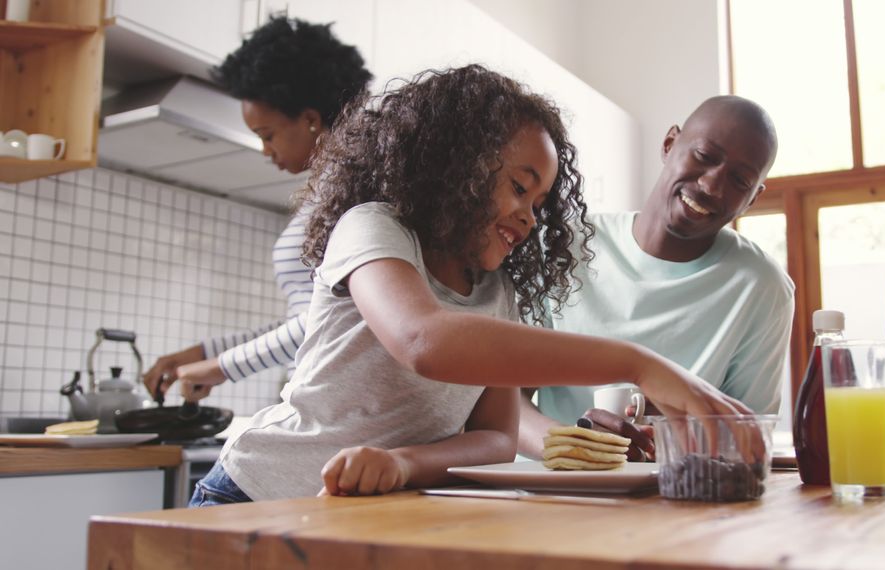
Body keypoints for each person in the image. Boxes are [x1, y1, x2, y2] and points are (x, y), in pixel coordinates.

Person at [184, 65, 760, 505]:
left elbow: (495, 439)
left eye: (540, 202)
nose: (531, 217)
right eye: (518, 187)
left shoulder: (496, 291)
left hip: (358, 510)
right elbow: (423, 342)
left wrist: (405, 463)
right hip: (254, 494)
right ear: (454, 165)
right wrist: (638, 362)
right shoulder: (374, 228)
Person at [518, 95, 795, 461]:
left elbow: (749, 437)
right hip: (547, 491)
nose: (712, 186)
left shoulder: (762, 287)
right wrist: (578, 449)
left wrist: (670, 432)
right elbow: (503, 400)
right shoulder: (561, 246)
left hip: (675, 499)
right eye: (704, 157)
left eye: (739, 180)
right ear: (669, 144)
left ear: (752, 199)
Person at [141, 17, 373, 398]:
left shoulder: (354, 190)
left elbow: (338, 318)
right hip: (321, 392)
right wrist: (206, 354)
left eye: (268, 135)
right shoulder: (328, 192)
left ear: (311, 119)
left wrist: (220, 367)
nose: (265, 151)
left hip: (339, 398)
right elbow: (309, 318)